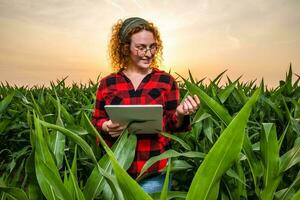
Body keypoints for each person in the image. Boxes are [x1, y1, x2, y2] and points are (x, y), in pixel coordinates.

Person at [92, 17, 200, 194]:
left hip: (154, 172)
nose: (148, 53)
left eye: (152, 47)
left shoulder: (166, 81)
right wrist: (105, 126)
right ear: (125, 48)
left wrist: (180, 114)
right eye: (141, 47)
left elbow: (174, 126)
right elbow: (96, 120)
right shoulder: (107, 84)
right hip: (115, 172)